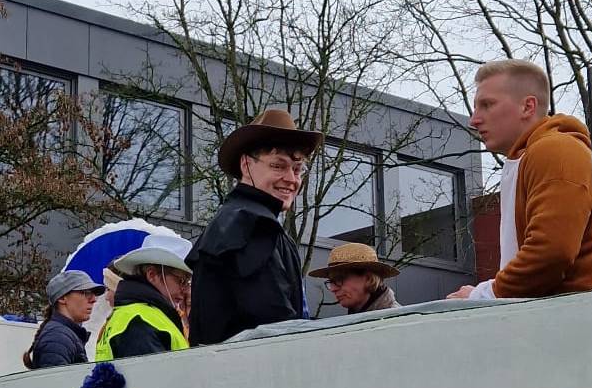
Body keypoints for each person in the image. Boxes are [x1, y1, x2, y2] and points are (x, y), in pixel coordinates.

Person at [448, 60, 592, 299]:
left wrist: (483, 295)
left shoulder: (556, 150)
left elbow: (551, 252)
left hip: (581, 314)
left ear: (528, 106)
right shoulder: (532, 156)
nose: (474, 120)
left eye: (487, 105)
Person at [187, 109, 322, 344]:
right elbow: (276, 328)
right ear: (246, 165)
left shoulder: (236, 219)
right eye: (278, 166)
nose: (292, 179)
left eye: (297, 169)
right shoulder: (252, 225)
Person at [97, 234, 193, 361]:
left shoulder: (138, 315)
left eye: (188, 282)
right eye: (181, 281)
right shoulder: (140, 322)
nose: (185, 289)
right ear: (152, 275)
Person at [23, 270, 105, 369]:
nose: (93, 300)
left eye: (94, 294)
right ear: (62, 298)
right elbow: (57, 378)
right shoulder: (57, 338)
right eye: (86, 293)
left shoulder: (64, 335)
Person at [309, 242, 401, 314]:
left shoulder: (398, 321)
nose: (333, 289)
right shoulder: (358, 318)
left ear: (369, 279)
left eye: (339, 280)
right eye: (331, 282)